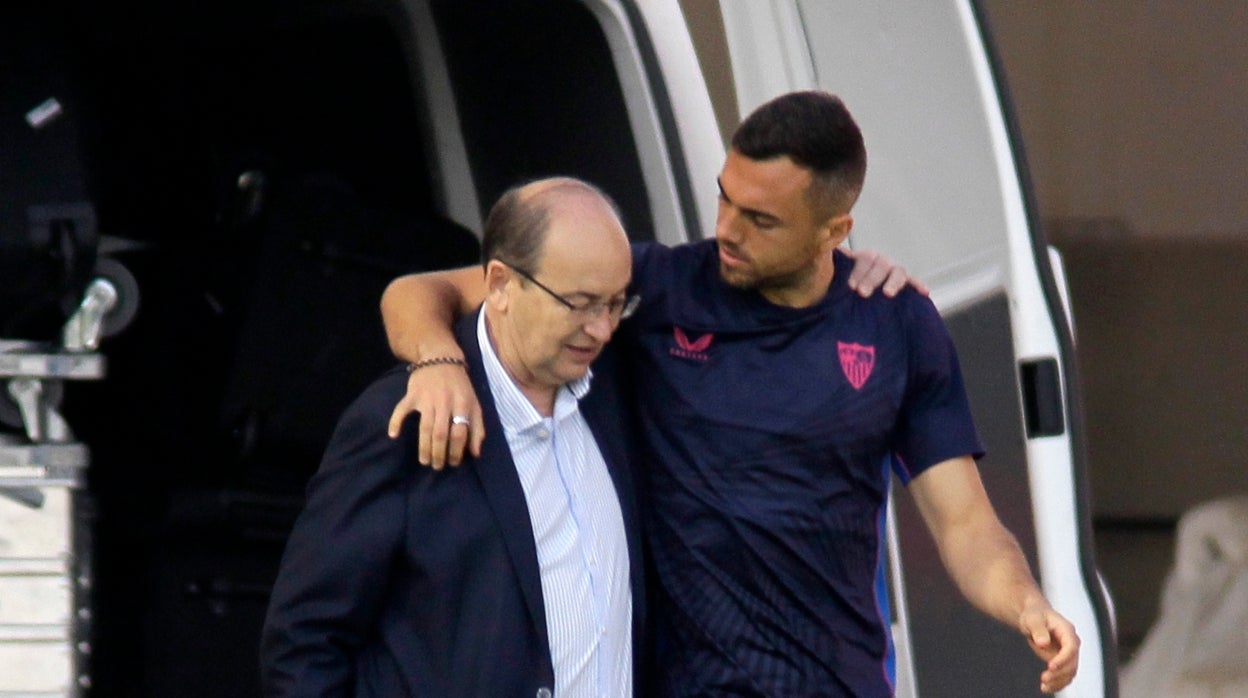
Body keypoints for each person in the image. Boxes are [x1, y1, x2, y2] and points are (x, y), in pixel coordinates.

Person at [378, 91, 1080, 696]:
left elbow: (965, 525)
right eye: (726, 197)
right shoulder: (655, 287)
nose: (727, 230)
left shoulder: (896, 324)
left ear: (834, 232)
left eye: (762, 220)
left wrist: (1026, 606)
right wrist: (438, 361)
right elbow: (420, 292)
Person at [261, 177, 647, 697]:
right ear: (502, 285)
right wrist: (436, 357)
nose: (601, 328)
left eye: (615, 304)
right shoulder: (403, 419)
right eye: (578, 303)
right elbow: (303, 643)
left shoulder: (614, 390)